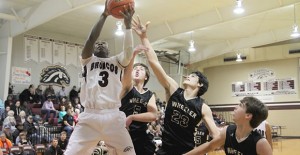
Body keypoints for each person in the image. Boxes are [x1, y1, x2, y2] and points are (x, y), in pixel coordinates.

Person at [132, 16, 220, 154]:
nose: (186, 76)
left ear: (200, 84)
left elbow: (216, 137)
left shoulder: (203, 107)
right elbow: (154, 63)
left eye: (192, 76)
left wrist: (199, 151)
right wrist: (144, 37)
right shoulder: (174, 89)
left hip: (186, 151)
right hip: (165, 150)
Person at [64, 1, 137, 154]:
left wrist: (128, 26)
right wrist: (104, 15)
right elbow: (91, 39)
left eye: (104, 43)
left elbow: (129, 52)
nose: (100, 44)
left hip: (113, 116)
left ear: (109, 51)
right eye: (98, 44)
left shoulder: (117, 61)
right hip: (89, 116)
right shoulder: (87, 60)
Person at [184, 97, 272, 155]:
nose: (235, 107)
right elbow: (209, 146)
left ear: (248, 116)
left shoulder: (260, 143)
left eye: (240, 105)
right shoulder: (228, 131)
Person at [119, 48, 157, 155]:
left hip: (140, 135)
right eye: (135, 68)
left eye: (140, 69)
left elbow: (153, 115)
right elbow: (126, 73)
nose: (137, 70)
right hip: (124, 132)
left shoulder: (149, 94)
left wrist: (132, 117)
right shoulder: (127, 87)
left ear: (146, 77)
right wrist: (133, 55)